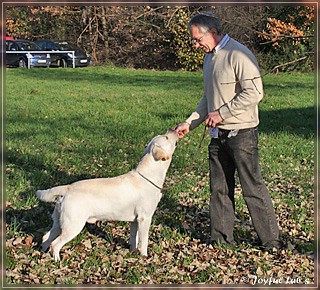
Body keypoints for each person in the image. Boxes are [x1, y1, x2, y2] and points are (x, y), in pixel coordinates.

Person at [175, 11, 282, 250]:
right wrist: (189, 123)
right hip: (217, 136)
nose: (195, 44)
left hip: (242, 134)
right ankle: (221, 240)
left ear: (212, 33)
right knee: (219, 190)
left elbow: (255, 93)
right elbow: (208, 98)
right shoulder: (208, 58)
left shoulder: (239, 54)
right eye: (193, 40)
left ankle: (271, 241)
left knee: (252, 188)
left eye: (197, 39)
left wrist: (222, 113)